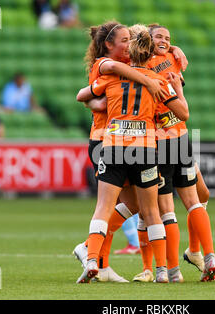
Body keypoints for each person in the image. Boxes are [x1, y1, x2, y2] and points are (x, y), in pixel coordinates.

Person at [72, 21, 190, 282]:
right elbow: (183, 113)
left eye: (130, 40)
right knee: (146, 208)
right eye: (123, 40)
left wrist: (173, 49)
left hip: (113, 143)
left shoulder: (111, 77)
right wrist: (151, 82)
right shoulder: (106, 66)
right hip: (123, 143)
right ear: (109, 45)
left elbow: (82, 95)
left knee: (124, 204)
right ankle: (159, 270)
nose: (127, 44)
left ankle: (93, 255)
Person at [132, 24, 215, 283]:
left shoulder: (171, 58)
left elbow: (182, 106)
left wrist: (176, 50)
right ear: (146, 40)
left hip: (174, 139)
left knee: (190, 199)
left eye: (169, 38)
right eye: (159, 36)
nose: (165, 41)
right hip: (160, 141)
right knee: (152, 208)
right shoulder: (140, 65)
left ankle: (187, 258)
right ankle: (165, 266)